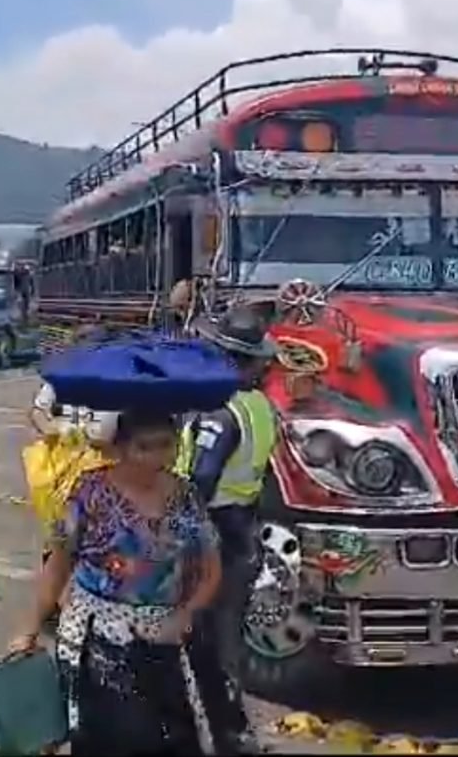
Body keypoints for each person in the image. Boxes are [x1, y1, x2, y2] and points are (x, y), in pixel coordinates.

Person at [8, 409, 224, 755]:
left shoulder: (186, 496)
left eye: (165, 446)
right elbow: (59, 563)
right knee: (107, 739)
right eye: (144, 447)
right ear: (120, 448)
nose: (156, 457)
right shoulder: (90, 492)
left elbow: (210, 569)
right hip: (96, 639)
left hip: (162, 640)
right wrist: (29, 629)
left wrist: (187, 613)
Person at [175, 306, 281, 755]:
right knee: (224, 636)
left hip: (212, 530)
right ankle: (231, 731)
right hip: (243, 528)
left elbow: (202, 476)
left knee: (202, 641)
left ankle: (227, 733)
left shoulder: (221, 412)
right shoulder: (259, 407)